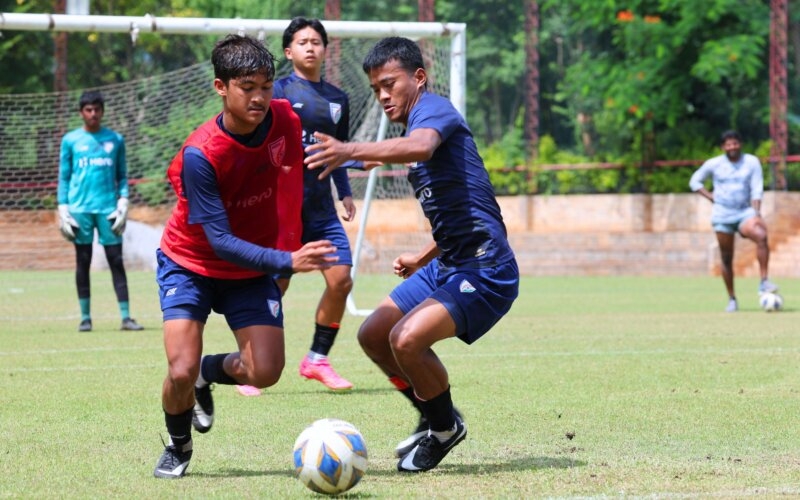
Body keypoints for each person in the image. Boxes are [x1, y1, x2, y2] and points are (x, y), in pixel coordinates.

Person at [305, 37, 519, 473]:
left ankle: (445, 429)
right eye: (375, 89)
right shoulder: (416, 128)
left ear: (418, 78)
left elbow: (419, 147)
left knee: (406, 339)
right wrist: (424, 257)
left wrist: (349, 149)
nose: (383, 96)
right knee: (373, 334)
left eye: (390, 84)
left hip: (486, 266)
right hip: (450, 260)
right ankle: (433, 415)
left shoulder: (433, 112)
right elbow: (472, 208)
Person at [152, 34, 338, 479]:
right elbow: (217, 240)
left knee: (265, 371)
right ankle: (178, 446)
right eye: (246, 87)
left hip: (252, 266)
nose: (259, 97)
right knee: (177, 371)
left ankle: (206, 373)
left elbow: (292, 187)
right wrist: (286, 261)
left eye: (265, 86)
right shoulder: (201, 155)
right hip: (190, 262)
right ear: (221, 87)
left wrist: (287, 251)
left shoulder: (284, 120)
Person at [261, 16, 375, 393]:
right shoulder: (275, 94)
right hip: (283, 211)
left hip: (321, 211)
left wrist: (345, 190)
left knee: (341, 279)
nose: (311, 47)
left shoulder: (338, 99)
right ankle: (252, 358)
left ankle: (316, 359)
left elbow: (334, 152)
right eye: (302, 41)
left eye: (317, 41)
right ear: (288, 51)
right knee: (275, 286)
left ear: (325, 49)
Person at [57, 90, 144, 333]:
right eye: (88, 109)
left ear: (103, 111)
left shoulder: (115, 139)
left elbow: (122, 175)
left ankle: (126, 318)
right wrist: (62, 206)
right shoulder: (70, 140)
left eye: (97, 109)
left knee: (116, 261)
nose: (93, 114)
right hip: (79, 210)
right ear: (81, 112)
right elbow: (64, 176)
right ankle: (85, 318)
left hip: (108, 209)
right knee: (82, 261)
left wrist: (124, 201)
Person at [690, 130, 779, 312]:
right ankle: (732, 299)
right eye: (728, 144)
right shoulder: (714, 164)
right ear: (723, 147)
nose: (732, 147)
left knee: (761, 235)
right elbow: (694, 182)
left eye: (735, 143)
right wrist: (710, 197)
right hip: (722, 215)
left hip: (744, 212)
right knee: (726, 257)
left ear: (741, 144)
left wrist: (756, 213)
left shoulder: (751, 162)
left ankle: (763, 281)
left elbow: (756, 189)